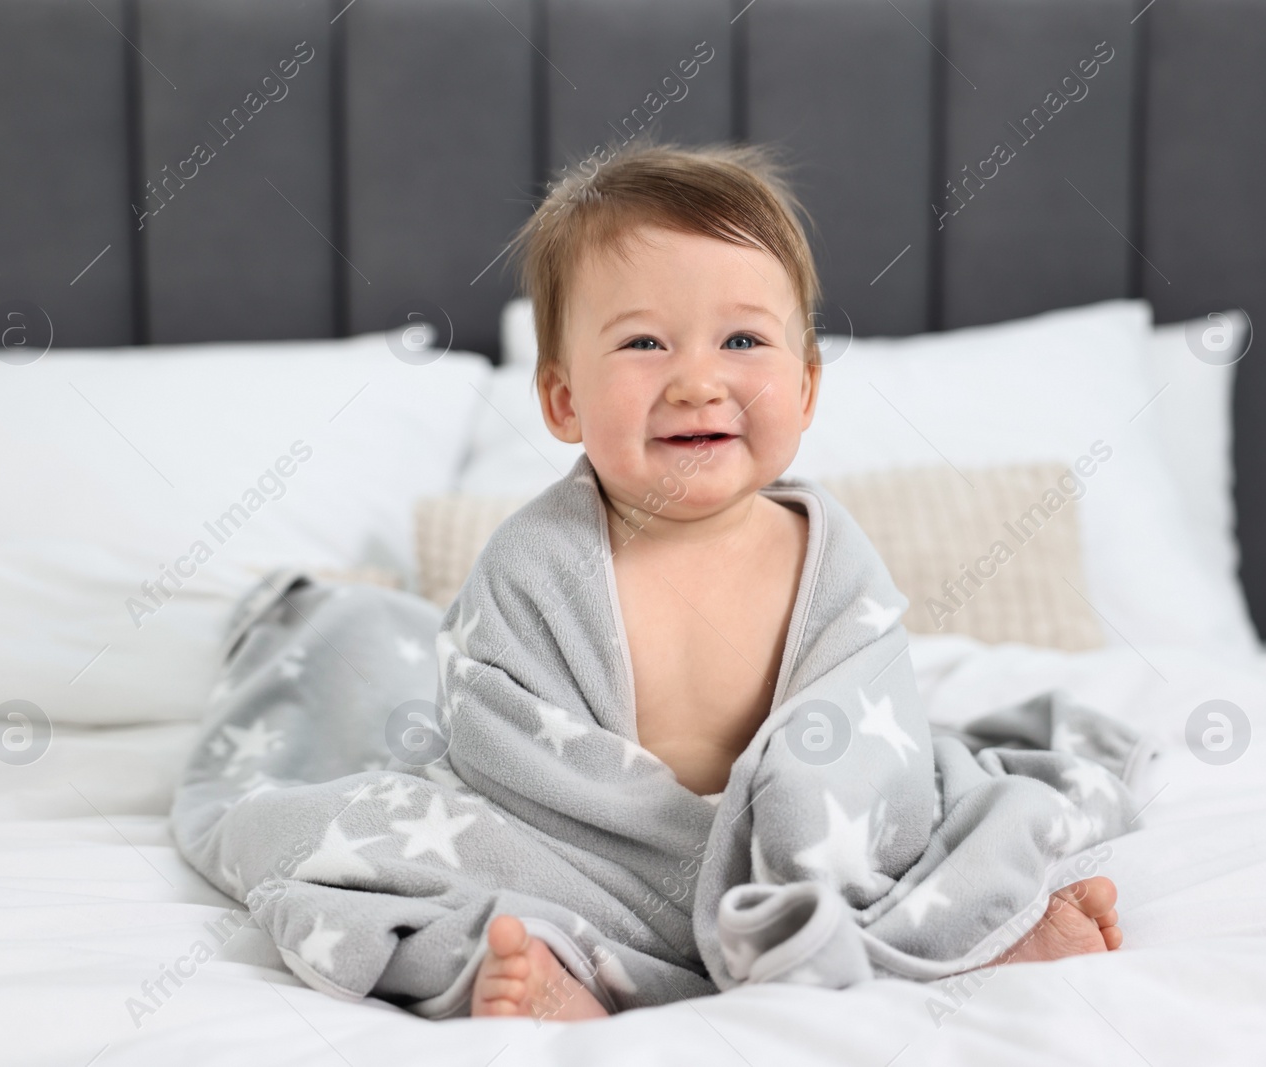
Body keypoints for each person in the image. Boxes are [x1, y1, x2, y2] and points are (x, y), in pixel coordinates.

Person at [469, 141, 1121, 1019]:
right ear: (562, 399)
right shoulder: (532, 566)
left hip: (818, 849)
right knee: (403, 864)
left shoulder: (827, 557)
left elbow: (866, 738)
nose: (698, 380)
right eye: (643, 342)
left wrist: (821, 824)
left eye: (742, 338)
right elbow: (501, 742)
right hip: (604, 868)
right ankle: (572, 970)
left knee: (959, 823)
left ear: (807, 387)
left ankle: (983, 932)